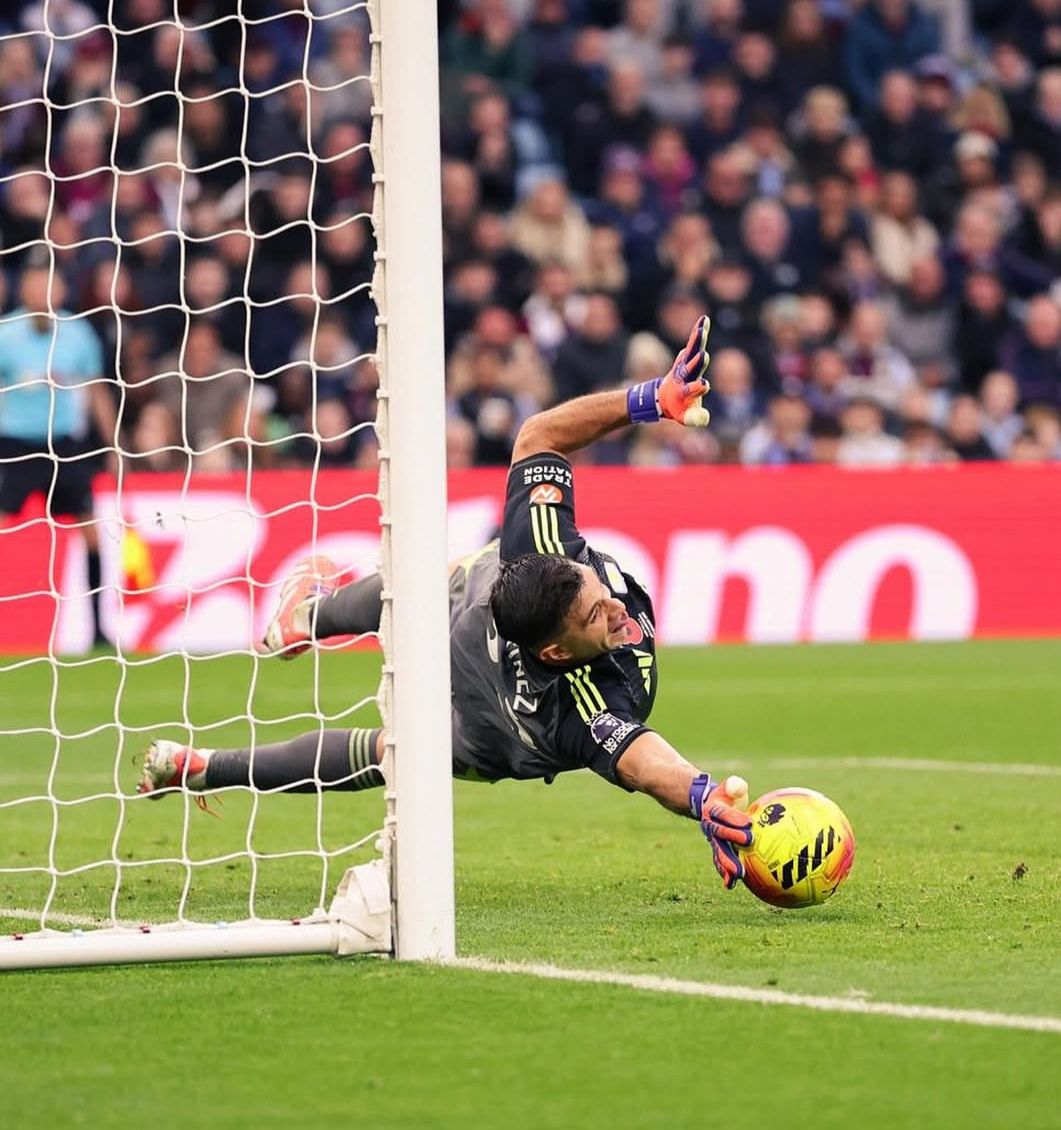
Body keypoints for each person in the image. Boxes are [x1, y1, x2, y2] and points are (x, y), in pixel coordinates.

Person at [138, 317, 757, 891]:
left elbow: (538, 435)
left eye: (597, 592)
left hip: (484, 658)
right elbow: (647, 764)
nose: (615, 608)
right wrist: (704, 797)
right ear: (557, 650)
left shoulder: (541, 548)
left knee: (428, 593)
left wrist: (654, 399)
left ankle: (294, 634)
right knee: (394, 752)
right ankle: (214, 749)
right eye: (596, 614)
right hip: (494, 731)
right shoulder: (584, 702)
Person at [0, 263, 116, 647]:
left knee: (91, 532)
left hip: (63, 444)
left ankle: (99, 628)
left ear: (61, 290)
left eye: (48, 286)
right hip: (14, 444)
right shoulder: (6, 334)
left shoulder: (77, 333)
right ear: (24, 291)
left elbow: (97, 388)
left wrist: (113, 443)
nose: (41, 294)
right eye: (34, 286)